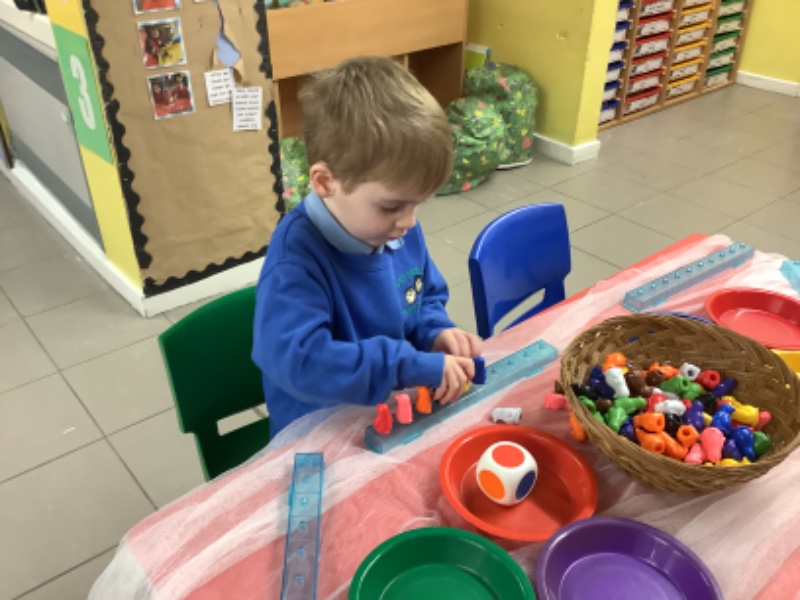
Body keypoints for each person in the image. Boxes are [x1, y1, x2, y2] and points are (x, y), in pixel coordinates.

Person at [252, 56, 483, 438]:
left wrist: (435, 331)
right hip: (320, 433)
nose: (409, 222)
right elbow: (300, 361)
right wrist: (404, 365)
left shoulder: (393, 228)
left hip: (389, 412)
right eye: (391, 206)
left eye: (417, 204)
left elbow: (422, 295)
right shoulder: (295, 261)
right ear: (325, 183)